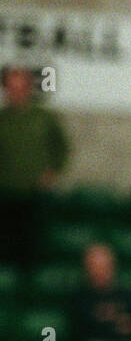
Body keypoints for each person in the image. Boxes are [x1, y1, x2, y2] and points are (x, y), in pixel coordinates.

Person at [0, 65, 69, 270]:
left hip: (34, 196)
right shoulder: (2, 119)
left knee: (33, 253)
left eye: (21, 86)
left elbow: (62, 147)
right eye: (11, 87)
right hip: (5, 195)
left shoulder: (43, 118)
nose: (16, 92)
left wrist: (53, 171)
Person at [68, 243, 131, 341]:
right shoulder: (79, 297)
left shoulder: (127, 295)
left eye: (104, 265)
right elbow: (79, 335)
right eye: (95, 265)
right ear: (86, 267)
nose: (100, 270)